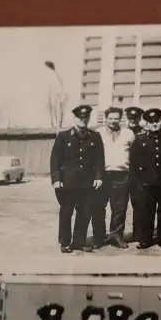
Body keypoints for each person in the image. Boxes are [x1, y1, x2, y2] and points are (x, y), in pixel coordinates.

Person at [49, 105, 104, 253]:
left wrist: (99, 177)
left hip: (87, 183)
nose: (83, 121)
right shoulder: (63, 136)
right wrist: (56, 178)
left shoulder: (95, 136)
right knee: (66, 212)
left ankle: (79, 242)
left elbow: (99, 159)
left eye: (86, 118)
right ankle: (65, 242)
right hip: (67, 182)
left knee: (84, 213)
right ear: (74, 119)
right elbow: (55, 160)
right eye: (80, 118)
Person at [94, 106, 135, 249]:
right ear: (106, 119)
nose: (113, 121)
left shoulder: (128, 133)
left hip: (122, 175)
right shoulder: (98, 133)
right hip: (103, 176)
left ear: (120, 119)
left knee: (119, 208)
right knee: (99, 207)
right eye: (110, 118)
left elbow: (134, 155)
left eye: (116, 118)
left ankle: (116, 235)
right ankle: (99, 237)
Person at [129, 108, 161, 249]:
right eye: (151, 122)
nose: (154, 124)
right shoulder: (140, 139)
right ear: (147, 123)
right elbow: (133, 161)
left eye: (157, 121)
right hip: (146, 182)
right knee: (146, 211)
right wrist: (138, 182)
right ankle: (145, 239)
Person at [124, 106, 145, 242]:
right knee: (119, 206)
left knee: (139, 205)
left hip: (138, 174)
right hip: (123, 172)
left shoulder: (144, 132)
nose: (133, 121)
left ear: (139, 118)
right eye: (130, 118)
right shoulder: (122, 132)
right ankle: (117, 234)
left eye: (135, 118)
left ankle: (139, 234)